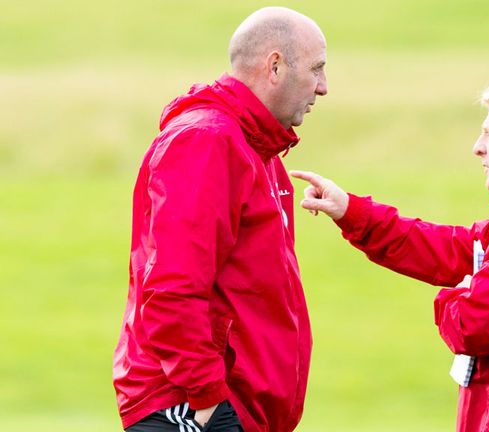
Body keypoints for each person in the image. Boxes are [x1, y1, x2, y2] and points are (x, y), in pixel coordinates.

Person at [291, 81, 489, 431]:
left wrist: (456, 294)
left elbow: (472, 326)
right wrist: (352, 212)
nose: (478, 147)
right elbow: (446, 247)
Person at [112, 7, 327, 432]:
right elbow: (173, 287)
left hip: (234, 407)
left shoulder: (259, 151)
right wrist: (209, 400)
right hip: (192, 407)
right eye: (316, 69)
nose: (323, 87)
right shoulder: (207, 142)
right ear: (275, 66)